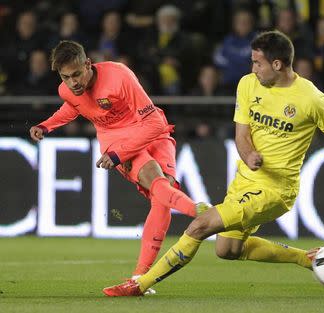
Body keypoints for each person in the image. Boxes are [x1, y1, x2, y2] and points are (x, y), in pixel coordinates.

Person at [102, 31, 324, 297]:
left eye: (258, 62)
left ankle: (140, 283)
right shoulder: (248, 84)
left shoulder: (311, 100)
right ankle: (307, 258)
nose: (253, 68)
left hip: (276, 190)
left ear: (278, 63)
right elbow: (242, 133)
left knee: (200, 226)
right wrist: (248, 154)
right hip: (245, 180)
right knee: (226, 250)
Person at [28, 40, 206, 293]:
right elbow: (73, 107)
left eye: (77, 74)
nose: (73, 83)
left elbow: (154, 124)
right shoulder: (67, 90)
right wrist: (47, 125)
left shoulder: (119, 75)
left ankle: (139, 279)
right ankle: (202, 212)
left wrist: (119, 154)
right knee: (159, 188)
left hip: (152, 132)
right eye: (66, 77)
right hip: (117, 140)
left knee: (161, 198)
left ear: (88, 63)